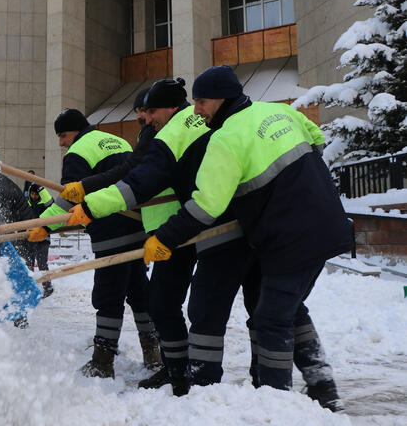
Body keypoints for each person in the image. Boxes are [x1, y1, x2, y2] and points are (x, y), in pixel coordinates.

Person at [144, 65, 349, 408]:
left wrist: (164, 238)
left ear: (222, 99)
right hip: (327, 221)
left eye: (202, 102)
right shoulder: (280, 111)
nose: (196, 110)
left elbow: (206, 206)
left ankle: (276, 403)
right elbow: (316, 138)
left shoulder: (226, 138)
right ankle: (322, 387)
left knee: (271, 317)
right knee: (287, 308)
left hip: (290, 236)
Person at [61, 79, 215, 395]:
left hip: (178, 223)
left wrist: (84, 202)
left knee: (132, 296)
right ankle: (170, 367)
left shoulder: (167, 133)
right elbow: (136, 172)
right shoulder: (116, 139)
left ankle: (184, 377)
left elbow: (137, 178)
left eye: (148, 111)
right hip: (166, 225)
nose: (144, 118)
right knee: (156, 298)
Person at [28, 108, 156, 379]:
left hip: (110, 231)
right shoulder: (116, 141)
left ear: (75, 130)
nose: (61, 143)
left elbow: (68, 199)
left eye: (63, 136)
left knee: (108, 296)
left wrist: (44, 224)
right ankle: (153, 353)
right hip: (136, 227)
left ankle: (102, 361)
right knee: (139, 293)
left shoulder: (79, 152)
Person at [0, 171, 54, 298]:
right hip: (28, 235)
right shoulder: (27, 202)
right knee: (29, 265)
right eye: (32, 194)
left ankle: (46, 287)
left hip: (41, 237)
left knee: (41, 263)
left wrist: (40, 188)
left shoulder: (44, 204)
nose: (33, 196)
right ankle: (30, 286)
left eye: (35, 194)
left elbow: (51, 203)